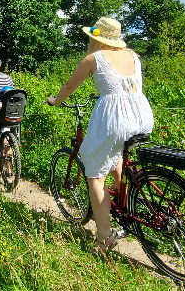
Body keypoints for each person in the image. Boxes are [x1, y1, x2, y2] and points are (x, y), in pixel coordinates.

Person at [46, 17, 153, 256]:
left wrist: (55, 101)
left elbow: (70, 87)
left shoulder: (93, 58)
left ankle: (104, 237)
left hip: (115, 118)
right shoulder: (134, 55)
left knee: (94, 174)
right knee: (114, 151)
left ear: (96, 37)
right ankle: (122, 200)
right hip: (141, 115)